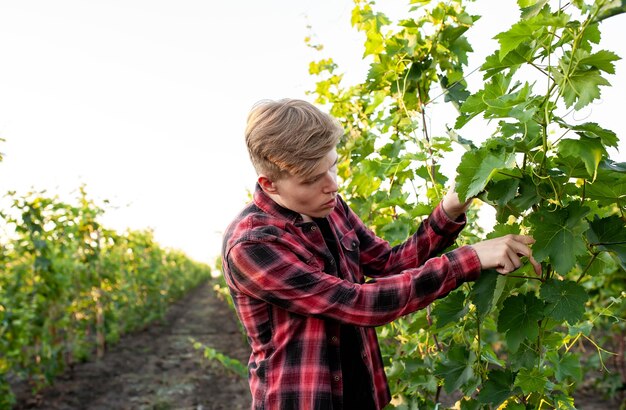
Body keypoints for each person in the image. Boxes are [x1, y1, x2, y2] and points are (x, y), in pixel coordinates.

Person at [221, 98, 541, 410]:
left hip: (365, 396)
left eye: (332, 167)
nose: (332, 185)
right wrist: (468, 258)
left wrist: (450, 208)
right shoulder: (252, 245)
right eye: (312, 180)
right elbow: (358, 303)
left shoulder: (329, 206)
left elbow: (390, 264)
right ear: (270, 184)